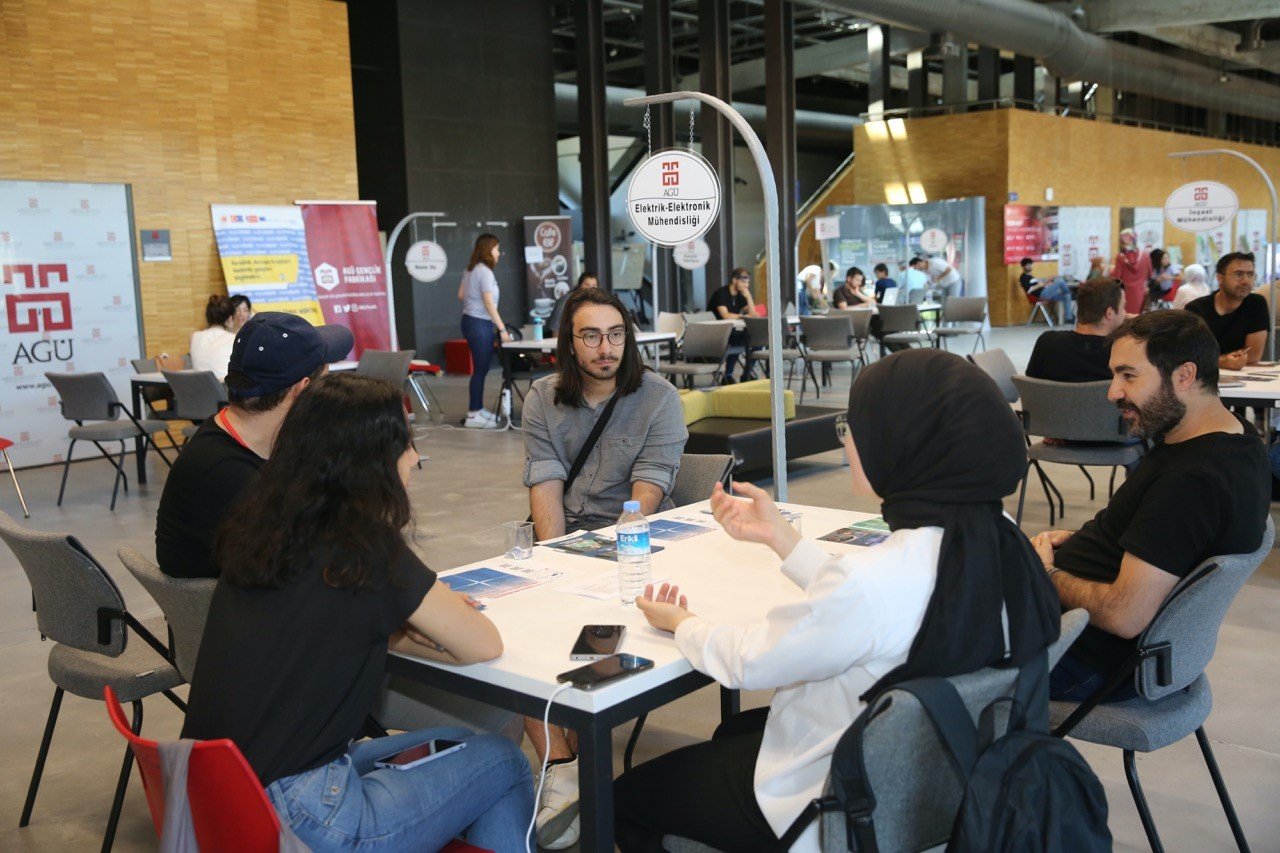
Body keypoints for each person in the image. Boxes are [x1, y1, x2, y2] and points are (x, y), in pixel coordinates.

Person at [614, 349, 1061, 853]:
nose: (847, 441)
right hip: (937, 781)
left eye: (856, 427)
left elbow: (750, 662)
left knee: (623, 800)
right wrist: (782, 539)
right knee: (735, 732)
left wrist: (682, 622)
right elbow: (873, 606)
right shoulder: (999, 537)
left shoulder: (873, 580)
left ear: (903, 446)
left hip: (833, 802)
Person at [181, 373, 532, 852]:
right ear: (373, 459)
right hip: (307, 815)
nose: (414, 456)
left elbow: (323, 628)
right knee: (502, 761)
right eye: (405, 441)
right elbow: (484, 643)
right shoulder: (364, 547)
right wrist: (426, 630)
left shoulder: (260, 526)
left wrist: (402, 632)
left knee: (455, 738)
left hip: (216, 795)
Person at [521, 287, 688, 849]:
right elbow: (544, 480)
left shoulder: (659, 397)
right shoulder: (542, 398)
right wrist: (554, 562)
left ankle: (568, 772)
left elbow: (649, 487)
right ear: (569, 343)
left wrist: (608, 557)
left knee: (580, 644)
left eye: (616, 335)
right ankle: (564, 771)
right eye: (590, 336)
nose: (605, 348)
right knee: (519, 642)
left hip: (631, 539)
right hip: (564, 535)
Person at [1031, 311, 1270, 703]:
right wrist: (1092, 542)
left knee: (917, 644)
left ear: (1184, 375)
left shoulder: (1192, 480)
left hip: (1079, 656)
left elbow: (1125, 616)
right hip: (1087, 636)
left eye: (1128, 375)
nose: (1112, 392)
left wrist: (1048, 573)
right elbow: (1173, 541)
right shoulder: (1235, 436)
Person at [156, 312, 354, 580]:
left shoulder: (236, 437)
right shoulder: (231, 476)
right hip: (242, 612)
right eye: (326, 382)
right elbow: (308, 569)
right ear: (302, 390)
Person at [1026, 278, 1126, 383]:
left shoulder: (1047, 342)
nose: (1125, 313)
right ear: (1109, 313)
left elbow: (1030, 388)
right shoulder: (1120, 353)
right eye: (1123, 307)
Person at [457, 233, 510, 429]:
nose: (498, 253)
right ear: (488, 249)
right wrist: (502, 329)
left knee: (481, 369)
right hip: (480, 324)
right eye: (496, 248)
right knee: (480, 370)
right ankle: (473, 414)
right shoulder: (485, 272)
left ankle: (477, 409)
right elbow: (488, 302)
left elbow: (461, 294)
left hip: (469, 321)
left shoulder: (470, 270)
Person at [1183, 252, 1269, 370]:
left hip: (1243, 376)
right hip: (1203, 375)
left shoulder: (1256, 304)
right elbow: (1190, 354)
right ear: (1220, 278)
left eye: (1250, 275)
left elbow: (1253, 355)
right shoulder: (1196, 309)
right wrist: (1222, 361)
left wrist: (1215, 359)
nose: (1246, 281)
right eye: (1238, 274)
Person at [708, 267, 757, 382]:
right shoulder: (721, 293)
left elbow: (753, 314)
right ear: (734, 280)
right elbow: (725, 315)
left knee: (757, 343)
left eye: (748, 282)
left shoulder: (740, 295)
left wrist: (749, 297)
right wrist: (743, 316)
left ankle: (746, 374)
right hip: (719, 333)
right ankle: (728, 374)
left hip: (732, 332)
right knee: (742, 340)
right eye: (743, 281)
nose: (746, 285)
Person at [189, 295, 237, 381]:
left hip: (198, 391)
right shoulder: (234, 339)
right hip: (225, 391)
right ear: (230, 319)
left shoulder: (194, 337)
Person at [1109, 228, 1152, 315]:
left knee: (1126, 319)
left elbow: (1116, 276)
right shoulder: (1145, 255)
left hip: (1125, 293)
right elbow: (1150, 273)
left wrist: (1110, 271)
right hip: (1141, 293)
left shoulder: (1120, 257)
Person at [1019, 257, 1074, 323]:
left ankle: (1069, 318)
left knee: (1066, 295)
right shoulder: (1023, 277)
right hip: (1041, 294)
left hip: (1046, 292)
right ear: (1023, 266)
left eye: (1030, 264)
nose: (1030, 266)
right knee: (1060, 282)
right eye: (1027, 265)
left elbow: (1038, 284)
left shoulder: (1031, 277)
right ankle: (1072, 294)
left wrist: (1047, 283)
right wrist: (1041, 284)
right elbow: (1029, 290)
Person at [548, 270, 598, 336]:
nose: (590, 289)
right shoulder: (566, 301)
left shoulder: (597, 302)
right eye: (586, 285)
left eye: (593, 286)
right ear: (579, 285)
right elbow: (555, 329)